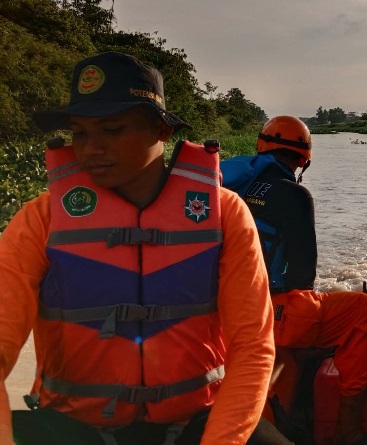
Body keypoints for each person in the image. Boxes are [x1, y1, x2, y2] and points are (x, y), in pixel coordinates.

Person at [0, 51, 276, 445]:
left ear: (161, 130)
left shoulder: (225, 214)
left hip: (195, 423)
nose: (91, 148)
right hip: (75, 429)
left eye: (112, 130)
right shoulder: (39, 220)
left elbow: (253, 347)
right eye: (80, 132)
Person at [220, 116, 367, 445]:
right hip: (272, 313)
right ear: (303, 160)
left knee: (293, 334)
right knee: (366, 310)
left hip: (224, 312)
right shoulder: (294, 195)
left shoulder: (228, 188)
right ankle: (348, 428)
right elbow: (302, 276)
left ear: (260, 147)